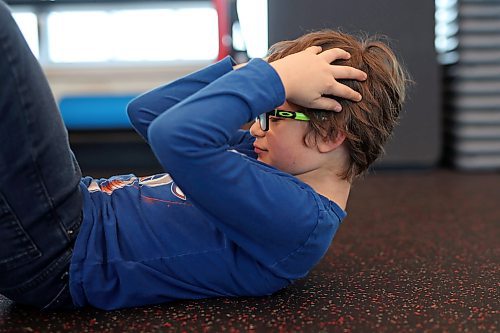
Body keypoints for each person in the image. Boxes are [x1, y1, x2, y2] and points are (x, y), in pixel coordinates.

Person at [0, 0, 408, 310]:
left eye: (272, 115)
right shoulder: (273, 159)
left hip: (63, 252)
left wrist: (274, 79)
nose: (254, 126)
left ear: (328, 135)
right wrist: (256, 68)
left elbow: (173, 135)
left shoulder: (298, 220)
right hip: (71, 215)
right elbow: (148, 112)